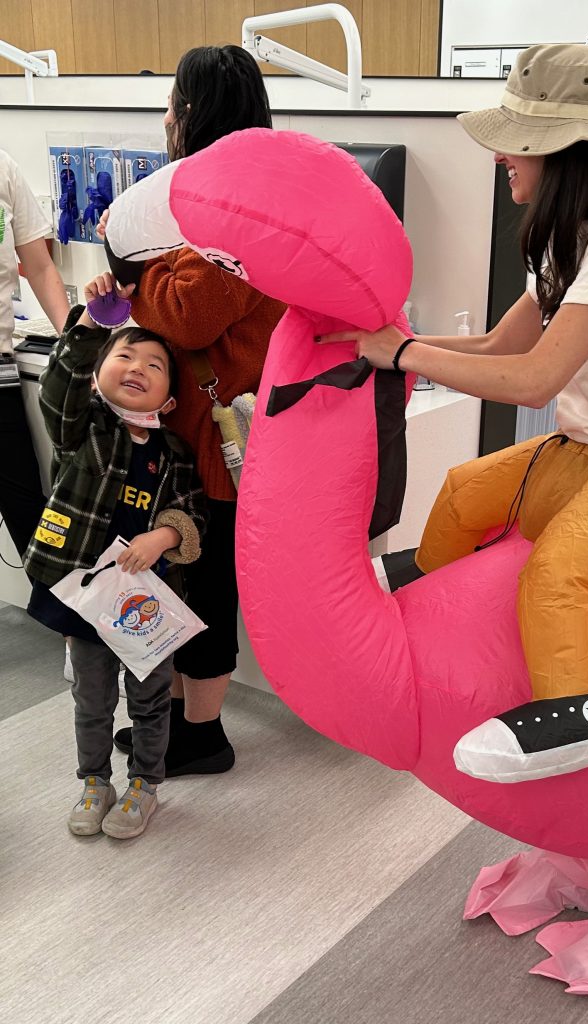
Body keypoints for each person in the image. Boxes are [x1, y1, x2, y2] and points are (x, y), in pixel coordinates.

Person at [320, 43, 588, 784]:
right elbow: (501, 344)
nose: (500, 158)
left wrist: (403, 354)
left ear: (566, 147)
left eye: (515, 142)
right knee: (464, 488)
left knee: (558, 576)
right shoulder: (575, 226)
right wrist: (384, 345)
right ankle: (424, 588)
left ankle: (578, 716)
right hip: (586, 450)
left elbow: (532, 378)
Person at [101, 45, 286, 777]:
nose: (166, 118)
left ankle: (203, 737)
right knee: (176, 582)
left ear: (192, 112)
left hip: (217, 442)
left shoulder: (237, 211)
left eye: (174, 103)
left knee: (204, 591)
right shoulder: (217, 198)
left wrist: (135, 264)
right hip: (188, 433)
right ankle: (177, 722)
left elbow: (186, 314)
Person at [22, 272, 207, 839]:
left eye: (154, 365)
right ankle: (94, 781)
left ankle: (145, 785)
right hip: (85, 597)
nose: (137, 367)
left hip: (147, 602)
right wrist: (91, 324)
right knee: (92, 699)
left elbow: (192, 513)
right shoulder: (83, 428)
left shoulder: (174, 453)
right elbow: (59, 389)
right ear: (99, 374)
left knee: (151, 700)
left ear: (168, 398)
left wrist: (164, 537)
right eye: (124, 356)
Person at [0, 148, 70, 558]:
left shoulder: (3, 167)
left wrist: (74, 342)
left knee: (30, 517)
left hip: (0, 372)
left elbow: (40, 268)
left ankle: (56, 599)